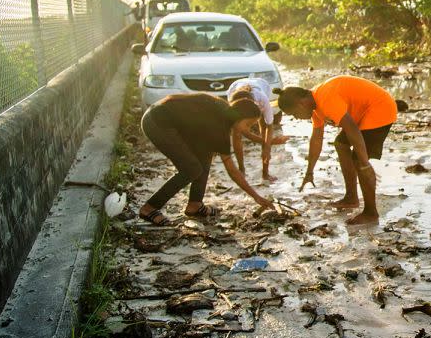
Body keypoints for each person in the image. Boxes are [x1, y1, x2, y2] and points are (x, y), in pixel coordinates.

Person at [274, 76, 397, 225]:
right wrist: (309, 172)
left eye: (294, 114)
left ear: (301, 104)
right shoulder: (315, 106)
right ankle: (351, 197)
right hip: (362, 113)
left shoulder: (325, 99)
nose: (297, 118)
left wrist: (364, 163)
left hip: (380, 108)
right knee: (340, 144)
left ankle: (371, 213)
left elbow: (351, 128)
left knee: (358, 160)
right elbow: (316, 140)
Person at [137, 92, 274, 226]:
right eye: (248, 124)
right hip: (157, 122)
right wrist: (256, 196)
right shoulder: (219, 128)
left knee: (206, 156)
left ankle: (195, 205)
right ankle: (149, 208)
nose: (247, 130)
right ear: (239, 117)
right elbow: (232, 171)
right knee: (191, 169)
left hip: (169, 118)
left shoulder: (224, 110)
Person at [226, 77, 287, 181]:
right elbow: (243, 132)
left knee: (263, 126)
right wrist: (271, 142)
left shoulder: (263, 100)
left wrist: (267, 148)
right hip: (235, 86)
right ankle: (242, 170)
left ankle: (265, 173)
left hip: (261, 86)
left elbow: (269, 127)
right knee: (237, 132)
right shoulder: (233, 99)